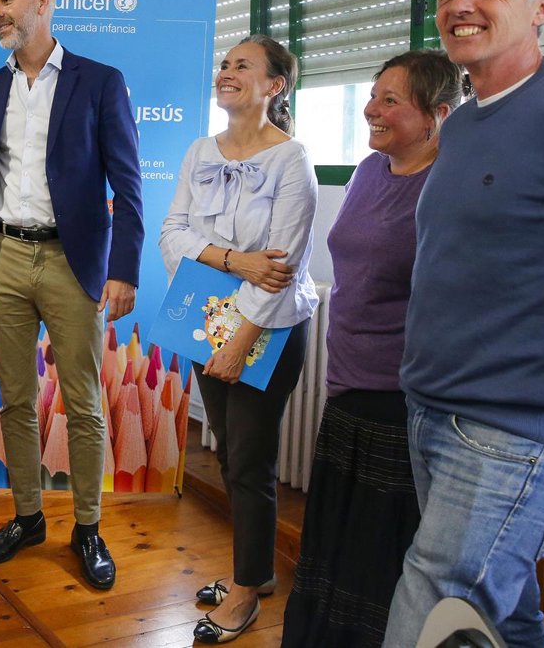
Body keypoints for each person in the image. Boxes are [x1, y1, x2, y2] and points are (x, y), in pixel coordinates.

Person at [382, 0, 544, 648]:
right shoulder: (462, 125)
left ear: (542, 6)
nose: (459, 4)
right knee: (505, 616)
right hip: (432, 409)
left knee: (431, 617)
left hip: (511, 432)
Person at [0, 0, 144, 591]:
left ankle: (88, 528)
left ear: (42, 2)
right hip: (2, 257)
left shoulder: (100, 82)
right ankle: (28, 518)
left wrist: (124, 270)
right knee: (17, 399)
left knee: (82, 403)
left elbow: (128, 185)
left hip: (71, 262)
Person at [281, 50, 465, 648]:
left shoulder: (451, 186)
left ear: (438, 114)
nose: (371, 110)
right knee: (332, 547)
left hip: (403, 399)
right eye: (371, 95)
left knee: (379, 558)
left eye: (391, 100)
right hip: (347, 388)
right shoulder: (367, 169)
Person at [159, 35, 318, 643]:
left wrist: (237, 340)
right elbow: (172, 234)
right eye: (224, 64)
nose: (226, 71)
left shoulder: (291, 159)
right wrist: (233, 260)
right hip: (207, 318)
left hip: (265, 328)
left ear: (275, 85)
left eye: (241, 65)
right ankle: (255, 570)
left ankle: (247, 591)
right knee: (228, 454)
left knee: (249, 462)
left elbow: (281, 267)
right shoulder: (201, 150)